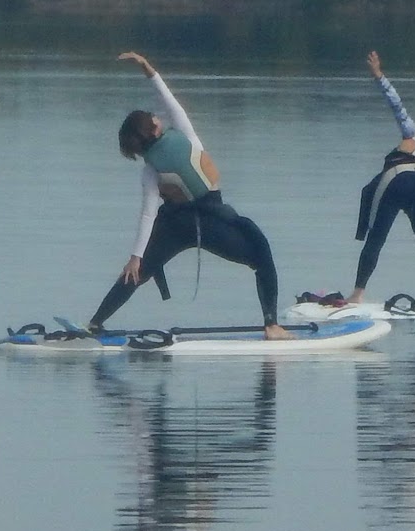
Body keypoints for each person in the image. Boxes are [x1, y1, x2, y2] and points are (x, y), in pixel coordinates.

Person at [91, 51, 290, 340]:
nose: (158, 116)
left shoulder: (150, 170)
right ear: (154, 127)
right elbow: (170, 100)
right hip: (209, 223)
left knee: (138, 273)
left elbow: (148, 215)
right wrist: (148, 68)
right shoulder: (186, 135)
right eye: (153, 117)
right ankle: (272, 325)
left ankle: (95, 323)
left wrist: (136, 258)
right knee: (261, 254)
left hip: (173, 226)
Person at [344, 49, 415, 308]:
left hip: (395, 180)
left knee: (376, 239)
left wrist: (379, 76)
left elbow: (396, 105)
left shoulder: (414, 134)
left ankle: (357, 294)